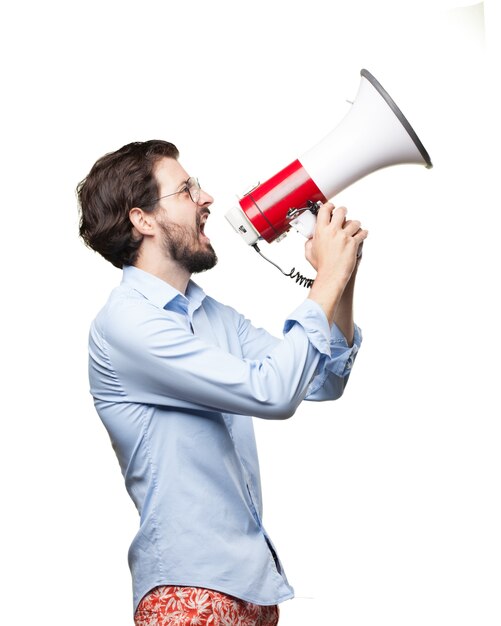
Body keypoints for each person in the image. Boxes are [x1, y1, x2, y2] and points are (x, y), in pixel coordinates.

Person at [77, 139, 368, 626]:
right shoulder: (126, 324)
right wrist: (325, 282)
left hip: (252, 585)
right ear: (142, 220)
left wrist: (343, 280)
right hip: (189, 592)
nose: (206, 197)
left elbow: (319, 381)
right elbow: (271, 394)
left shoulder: (213, 317)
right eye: (187, 189)